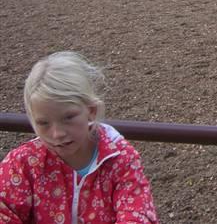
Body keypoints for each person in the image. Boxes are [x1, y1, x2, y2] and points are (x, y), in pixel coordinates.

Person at [0, 51, 159, 223]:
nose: (57, 133)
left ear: (91, 111)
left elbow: (137, 214)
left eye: (68, 117)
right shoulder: (23, 164)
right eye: (43, 123)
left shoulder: (120, 161)